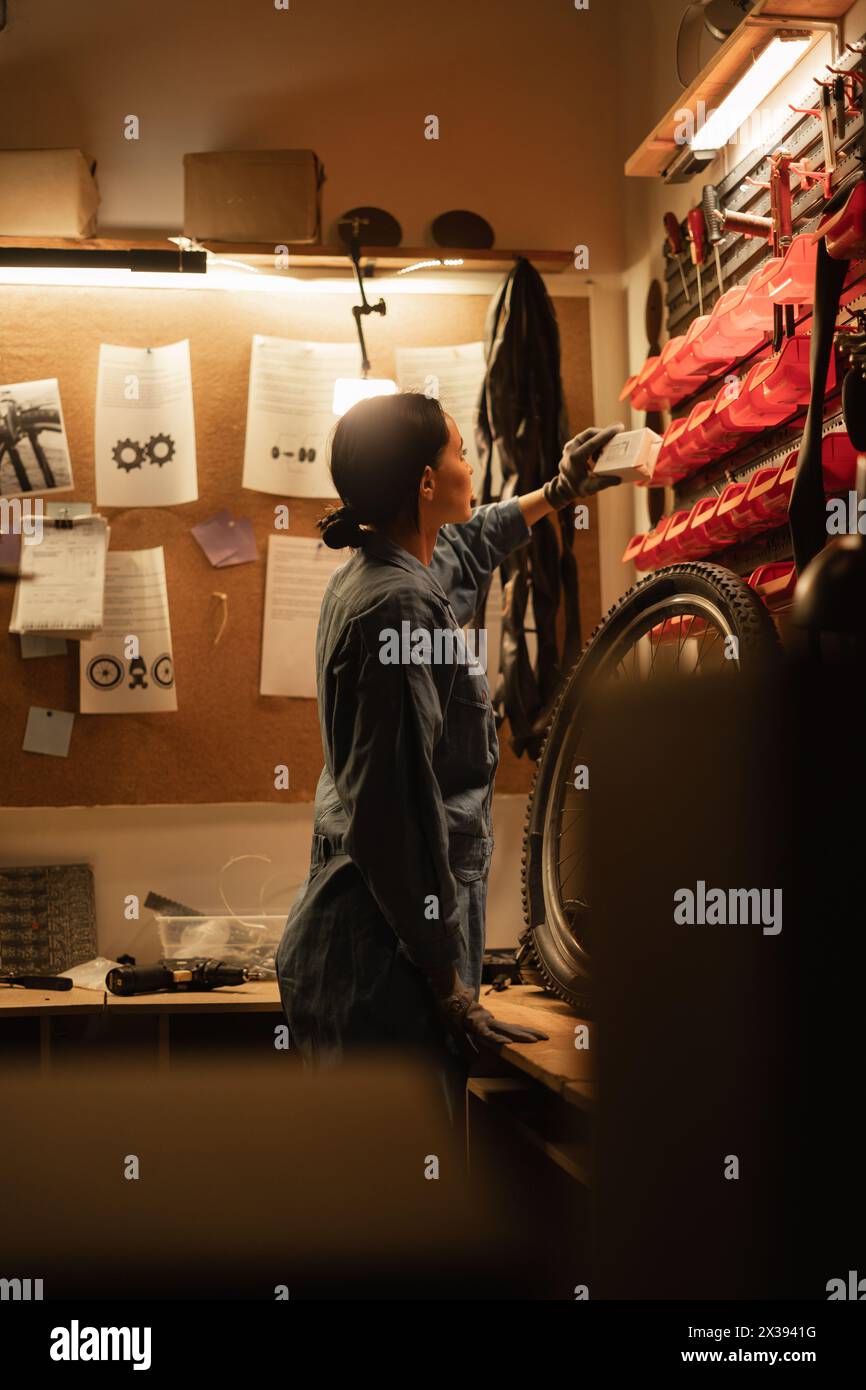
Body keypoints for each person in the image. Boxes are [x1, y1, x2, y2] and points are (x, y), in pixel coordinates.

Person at [275, 391, 622, 1080]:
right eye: (460, 454)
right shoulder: (398, 604)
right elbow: (394, 816)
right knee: (393, 1180)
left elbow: (474, 538)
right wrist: (445, 983)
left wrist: (558, 490)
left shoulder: (390, 568)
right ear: (427, 483)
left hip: (378, 939)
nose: (471, 467)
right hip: (386, 960)